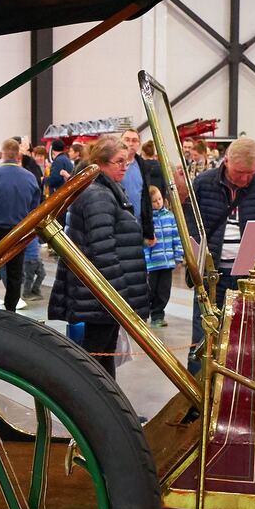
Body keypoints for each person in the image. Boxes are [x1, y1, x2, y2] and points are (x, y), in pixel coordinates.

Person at [48, 133, 150, 377]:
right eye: (119, 161)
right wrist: (120, 296)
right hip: (103, 294)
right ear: (102, 163)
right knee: (94, 357)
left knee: (102, 355)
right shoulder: (98, 194)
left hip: (101, 294)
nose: (125, 167)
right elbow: (102, 250)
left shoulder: (104, 189)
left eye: (127, 161)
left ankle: (108, 409)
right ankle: (85, 406)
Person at [189, 136, 255, 364]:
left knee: (247, 342)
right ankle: (196, 394)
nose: (244, 178)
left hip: (249, 280)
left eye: (250, 173)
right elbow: (190, 223)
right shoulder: (203, 183)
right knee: (203, 340)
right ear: (227, 161)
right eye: (239, 172)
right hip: (211, 277)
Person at [0, 138, 42, 311]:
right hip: (18, 233)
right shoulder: (30, 178)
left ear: (0, 154)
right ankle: (10, 312)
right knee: (15, 276)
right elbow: (35, 208)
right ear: (19, 155)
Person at [143, 185, 180, 326]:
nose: (158, 203)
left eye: (160, 199)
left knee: (164, 291)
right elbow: (142, 240)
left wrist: (178, 256)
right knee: (150, 290)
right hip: (152, 263)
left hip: (167, 262)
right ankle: (145, 314)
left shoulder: (170, 217)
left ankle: (158, 316)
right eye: (154, 201)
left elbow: (176, 237)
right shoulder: (147, 220)